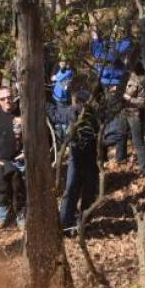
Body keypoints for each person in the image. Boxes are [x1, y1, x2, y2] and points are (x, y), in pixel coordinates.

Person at [54, 89, 99, 232]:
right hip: (86, 156)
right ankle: (76, 220)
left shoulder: (75, 112)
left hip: (82, 156)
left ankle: (70, 221)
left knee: (76, 188)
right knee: (84, 188)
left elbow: (56, 115)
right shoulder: (93, 113)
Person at [0, 86, 25, 228]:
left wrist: (26, 152)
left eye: (9, 97)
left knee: (20, 186)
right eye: (3, 98)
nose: (7, 101)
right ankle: (1, 213)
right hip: (0, 160)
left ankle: (21, 214)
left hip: (20, 159)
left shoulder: (22, 111)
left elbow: (35, 136)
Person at [117, 61, 145, 175]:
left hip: (136, 114)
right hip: (124, 111)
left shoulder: (143, 80)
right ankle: (120, 159)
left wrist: (127, 99)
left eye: (129, 63)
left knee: (137, 141)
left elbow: (142, 102)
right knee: (121, 134)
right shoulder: (127, 75)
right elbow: (123, 88)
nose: (127, 64)